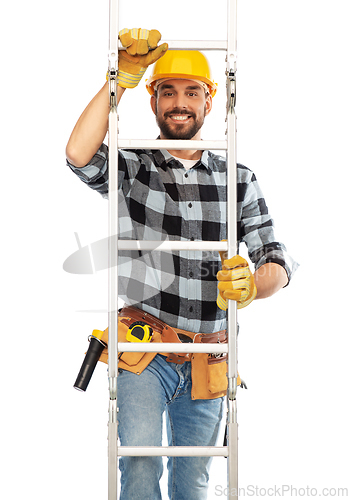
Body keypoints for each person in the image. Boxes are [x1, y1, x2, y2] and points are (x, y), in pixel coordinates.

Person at [66, 29, 297, 500]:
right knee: (141, 467)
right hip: (144, 352)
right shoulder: (135, 168)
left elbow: (276, 259)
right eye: (166, 91)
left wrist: (253, 285)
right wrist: (120, 81)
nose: (179, 103)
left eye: (192, 92)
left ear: (210, 103)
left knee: (193, 481)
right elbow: (79, 155)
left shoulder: (239, 177)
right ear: (152, 102)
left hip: (209, 357)